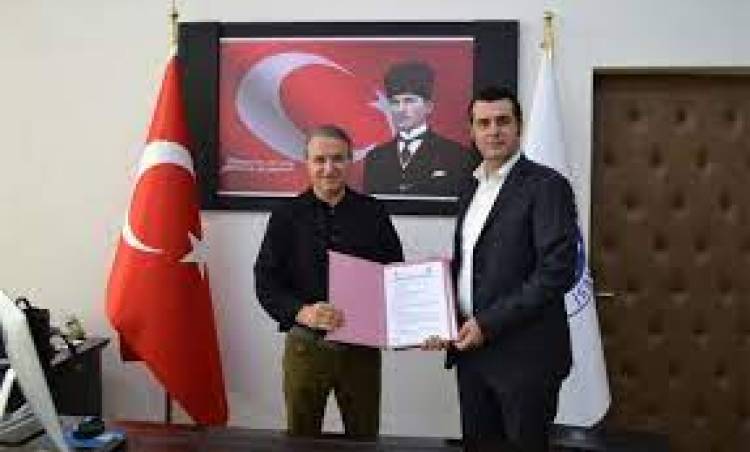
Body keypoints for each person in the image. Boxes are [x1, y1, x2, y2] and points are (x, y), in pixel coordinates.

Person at [425, 86, 578, 451]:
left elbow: (556, 271)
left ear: (518, 126)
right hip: (472, 354)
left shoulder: (547, 186)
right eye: (484, 123)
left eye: (503, 121)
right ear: (472, 131)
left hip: (526, 359)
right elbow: (471, 267)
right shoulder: (471, 187)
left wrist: (487, 324)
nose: (493, 131)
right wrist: (442, 318)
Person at [254, 125, 403, 438]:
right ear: (306, 162)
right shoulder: (286, 215)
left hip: (361, 349)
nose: (329, 168)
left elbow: (395, 275)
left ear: (350, 161)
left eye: (338, 159)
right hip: (305, 345)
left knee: (364, 438)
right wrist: (302, 312)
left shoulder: (374, 212)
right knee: (301, 439)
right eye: (319, 160)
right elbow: (266, 282)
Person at [363, 61, 479, 197]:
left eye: (409, 101)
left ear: (428, 107)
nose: (401, 109)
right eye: (395, 102)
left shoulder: (456, 155)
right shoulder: (375, 158)